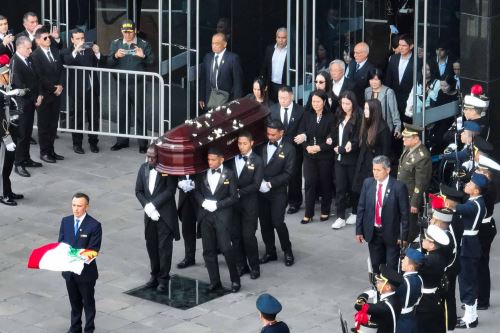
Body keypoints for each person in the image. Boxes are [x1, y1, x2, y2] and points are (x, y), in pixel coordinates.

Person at [194, 147, 240, 292]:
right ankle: (215, 281)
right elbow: (196, 191)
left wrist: (218, 205)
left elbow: (233, 197)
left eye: (213, 160)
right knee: (208, 250)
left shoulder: (229, 174)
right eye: (208, 160)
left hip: (222, 216)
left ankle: (235, 280)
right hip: (206, 215)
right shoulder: (202, 174)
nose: (210, 163)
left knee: (226, 248)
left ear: (221, 159)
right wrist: (203, 202)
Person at [135, 144, 180, 292]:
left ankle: (163, 278)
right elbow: (139, 191)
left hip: (165, 216)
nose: (149, 160)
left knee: (164, 248)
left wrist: (153, 204)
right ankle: (154, 275)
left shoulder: (168, 170)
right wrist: (147, 206)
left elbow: (170, 190)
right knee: (152, 246)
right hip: (149, 216)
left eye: (153, 157)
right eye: (148, 156)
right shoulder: (143, 168)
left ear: (159, 157)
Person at [446, 173, 487, 329]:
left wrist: (442, 199)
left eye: (470, 183)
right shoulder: (475, 201)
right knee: (468, 281)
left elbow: (455, 207)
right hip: (469, 244)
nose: (467, 184)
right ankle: (471, 315)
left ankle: (470, 318)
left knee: (467, 282)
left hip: (469, 246)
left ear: (476, 191)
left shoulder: (474, 205)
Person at [355, 155, 409, 273]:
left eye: (378, 170)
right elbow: (361, 208)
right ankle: (377, 289)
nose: (375, 173)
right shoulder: (368, 183)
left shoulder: (398, 187)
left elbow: (405, 214)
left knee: (391, 267)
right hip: (373, 233)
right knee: (376, 265)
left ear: (387, 170)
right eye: (374, 169)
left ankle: (391, 290)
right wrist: (359, 230)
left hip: (392, 234)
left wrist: (403, 235)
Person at [108, 19, 154, 153]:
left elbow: (152, 61)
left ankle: (142, 143)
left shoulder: (143, 44)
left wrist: (143, 56)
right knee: (122, 112)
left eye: (130, 32)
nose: (128, 35)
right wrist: (116, 56)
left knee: (140, 112)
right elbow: (109, 62)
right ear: (122, 31)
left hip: (138, 83)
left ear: (135, 31)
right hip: (122, 82)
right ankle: (122, 141)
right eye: (125, 32)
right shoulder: (116, 44)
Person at [58, 193, 102, 333]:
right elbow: (61, 244)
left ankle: (89, 329)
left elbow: (93, 250)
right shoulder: (66, 221)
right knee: (74, 302)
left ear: (86, 207)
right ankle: (75, 328)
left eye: (79, 206)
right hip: (69, 272)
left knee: (88, 303)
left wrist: (72, 253)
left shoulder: (94, 225)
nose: (76, 209)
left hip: (85, 273)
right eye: (74, 205)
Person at [61, 28, 105, 154]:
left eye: (82, 38)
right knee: (78, 117)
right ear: (72, 40)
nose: (81, 41)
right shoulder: (67, 51)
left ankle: (93, 142)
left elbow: (102, 62)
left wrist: (97, 53)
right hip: (77, 89)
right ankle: (77, 144)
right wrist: (76, 50)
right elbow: (67, 61)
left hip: (91, 88)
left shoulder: (89, 49)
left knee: (94, 116)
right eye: (78, 39)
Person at [258, 119, 296, 267]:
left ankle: (288, 251)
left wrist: (270, 183)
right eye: (268, 134)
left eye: (273, 134)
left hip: (278, 192)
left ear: (281, 132)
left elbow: (289, 173)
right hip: (261, 191)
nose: (270, 137)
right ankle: (270, 251)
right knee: (265, 223)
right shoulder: (261, 146)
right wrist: (259, 182)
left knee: (278, 222)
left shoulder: (289, 149)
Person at [294, 90, 334, 224]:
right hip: (309, 154)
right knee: (310, 182)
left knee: (325, 183)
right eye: (313, 101)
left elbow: (333, 138)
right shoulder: (307, 115)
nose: (315, 104)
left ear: (324, 102)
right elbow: (301, 132)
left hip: (325, 155)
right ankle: (308, 213)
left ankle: (325, 210)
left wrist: (319, 147)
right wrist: (307, 146)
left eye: (318, 101)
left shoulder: (330, 117)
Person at [227, 131, 264, 279]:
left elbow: (256, 185)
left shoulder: (258, 160)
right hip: (234, 205)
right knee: (235, 236)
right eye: (239, 144)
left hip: (250, 204)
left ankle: (255, 267)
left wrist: (239, 192)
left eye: (244, 144)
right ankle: (241, 265)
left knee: (248, 236)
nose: (241, 147)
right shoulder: (231, 159)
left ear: (251, 143)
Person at [31, 26, 64, 164]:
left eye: (48, 37)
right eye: (45, 38)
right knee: (44, 125)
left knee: (53, 125)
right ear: (38, 41)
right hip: (45, 95)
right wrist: (53, 88)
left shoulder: (55, 51)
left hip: (57, 94)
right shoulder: (35, 55)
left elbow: (61, 70)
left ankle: (51, 150)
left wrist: (60, 86)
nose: (48, 39)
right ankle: (44, 152)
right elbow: (40, 77)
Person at [10, 36, 43, 178]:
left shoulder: (28, 59)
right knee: (21, 134)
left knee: (28, 132)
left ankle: (26, 158)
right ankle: (18, 163)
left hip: (31, 101)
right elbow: (19, 85)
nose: (31, 51)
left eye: (31, 48)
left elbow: (37, 78)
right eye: (28, 48)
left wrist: (40, 94)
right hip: (22, 104)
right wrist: (34, 97)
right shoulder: (15, 63)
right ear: (19, 47)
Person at [269, 86, 304, 214]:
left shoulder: (300, 110)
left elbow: (302, 129)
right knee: (279, 175)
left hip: (294, 149)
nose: (282, 100)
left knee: (295, 177)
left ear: (292, 97)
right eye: (280, 98)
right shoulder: (272, 110)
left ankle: (295, 202)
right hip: (277, 149)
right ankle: (280, 200)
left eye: (285, 98)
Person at [397, 123, 432, 242]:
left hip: (411, 196)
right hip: (403, 192)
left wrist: (415, 203)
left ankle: (409, 245)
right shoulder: (409, 149)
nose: (404, 139)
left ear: (416, 138)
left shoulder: (422, 156)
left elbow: (421, 182)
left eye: (407, 137)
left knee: (411, 225)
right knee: (403, 221)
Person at [331, 90, 361, 229]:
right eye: (343, 103)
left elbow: (357, 139)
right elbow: (335, 131)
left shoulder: (358, 117)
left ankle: (355, 212)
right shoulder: (339, 114)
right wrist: (331, 139)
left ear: (353, 103)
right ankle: (340, 216)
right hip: (339, 158)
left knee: (353, 187)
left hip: (352, 159)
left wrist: (347, 147)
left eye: (347, 103)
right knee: (340, 188)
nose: (345, 106)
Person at [352, 99, 391, 196]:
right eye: (364, 108)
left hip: (375, 165)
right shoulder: (366, 123)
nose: (364, 111)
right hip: (363, 162)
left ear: (374, 111)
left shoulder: (383, 128)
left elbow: (385, 152)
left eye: (367, 109)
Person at [416, 224, 450, 333]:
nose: (422, 241)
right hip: (436, 297)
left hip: (425, 301)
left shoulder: (428, 261)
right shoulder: (438, 257)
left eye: (425, 239)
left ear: (432, 245)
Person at [198, 32, 243, 110]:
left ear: (225, 44)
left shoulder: (233, 59)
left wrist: (236, 102)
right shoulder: (208, 57)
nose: (214, 46)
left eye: (217, 43)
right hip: (210, 99)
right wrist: (201, 97)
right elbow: (203, 79)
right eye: (212, 43)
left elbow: (238, 83)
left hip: (227, 100)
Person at [354, 264, 403, 333]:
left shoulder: (384, 306)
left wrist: (365, 294)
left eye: (380, 282)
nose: (377, 283)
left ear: (388, 287)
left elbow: (358, 305)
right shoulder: (395, 297)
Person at [475, 167, 497, 311]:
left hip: (483, 229)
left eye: (480, 173)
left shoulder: (487, 191)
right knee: (479, 265)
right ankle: (479, 297)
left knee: (481, 265)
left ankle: (482, 300)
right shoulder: (487, 188)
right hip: (485, 228)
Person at [384, 34, 414, 124]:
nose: (400, 48)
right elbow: (388, 79)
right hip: (393, 99)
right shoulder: (393, 58)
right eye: (399, 45)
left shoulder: (417, 61)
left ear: (411, 46)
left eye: (404, 45)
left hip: (409, 101)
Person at [395, 248, 424, 333]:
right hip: (412, 317)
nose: (402, 261)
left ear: (411, 266)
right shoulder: (419, 279)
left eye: (405, 259)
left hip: (400, 319)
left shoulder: (403, 282)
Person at [176, 173, 198, 269]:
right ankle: (189, 257)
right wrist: (179, 184)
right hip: (185, 200)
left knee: (208, 228)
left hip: (201, 197)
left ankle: (212, 254)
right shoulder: (179, 158)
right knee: (187, 230)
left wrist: (195, 184)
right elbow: (173, 176)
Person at [260, 28, 288, 103]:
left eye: (283, 38)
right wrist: (263, 83)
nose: (281, 40)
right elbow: (264, 67)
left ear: (287, 38)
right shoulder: (270, 49)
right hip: (271, 85)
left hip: (284, 85)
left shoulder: (292, 51)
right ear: (276, 38)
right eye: (279, 37)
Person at [346, 42, 375, 106]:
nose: (354, 55)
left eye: (357, 53)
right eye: (354, 52)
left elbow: (370, 91)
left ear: (365, 54)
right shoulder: (351, 64)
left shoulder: (371, 69)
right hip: (348, 102)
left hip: (361, 104)